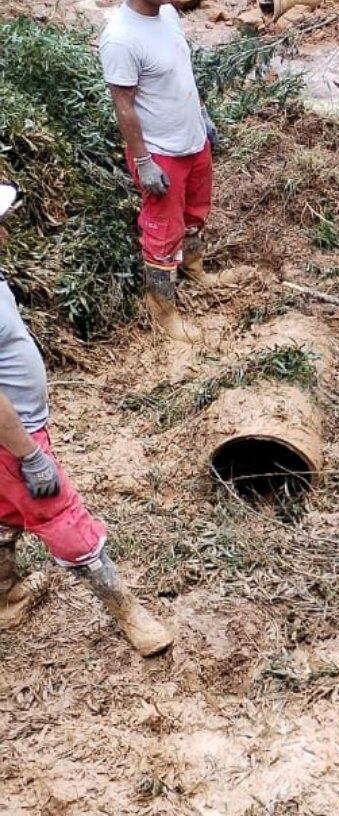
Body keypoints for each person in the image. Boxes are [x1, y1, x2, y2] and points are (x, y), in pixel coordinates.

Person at [0, 184, 174, 656]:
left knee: (2, 511)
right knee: (60, 515)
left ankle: (7, 596)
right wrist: (30, 455)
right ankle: (130, 615)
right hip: (11, 438)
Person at [99, 0, 219, 344]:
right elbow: (124, 105)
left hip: (191, 139)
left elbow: (181, 72)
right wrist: (144, 161)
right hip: (161, 151)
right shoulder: (120, 37)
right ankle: (162, 311)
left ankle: (194, 267)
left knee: (196, 210)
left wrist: (202, 118)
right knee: (161, 232)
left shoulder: (167, 14)